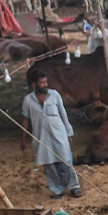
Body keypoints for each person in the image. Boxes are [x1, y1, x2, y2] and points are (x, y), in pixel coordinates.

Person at [21, 68, 81, 198]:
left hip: (59, 134)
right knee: (49, 165)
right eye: (41, 83)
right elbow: (25, 119)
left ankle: (74, 187)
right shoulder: (28, 100)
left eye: (45, 82)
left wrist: (69, 132)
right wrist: (23, 139)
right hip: (41, 137)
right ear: (34, 84)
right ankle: (57, 189)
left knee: (65, 161)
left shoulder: (54, 95)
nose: (45, 85)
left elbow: (63, 114)